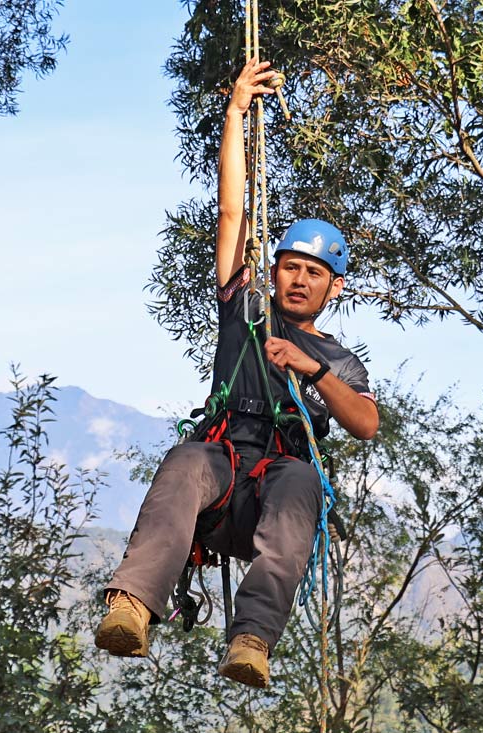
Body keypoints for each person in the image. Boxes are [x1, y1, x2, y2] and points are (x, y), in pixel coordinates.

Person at [94, 57, 379, 689]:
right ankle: (131, 606)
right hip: (219, 474)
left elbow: (365, 423)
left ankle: (251, 641)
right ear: (272, 272)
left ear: (333, 287)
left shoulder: (337, 360)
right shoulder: (247, 311)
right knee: (186, 459)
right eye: (290, 267)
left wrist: (312, 369)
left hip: (274, 492)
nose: (298, 280)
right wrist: (234, 114)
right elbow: (231, 214)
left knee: (303, 479)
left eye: (314, 273)